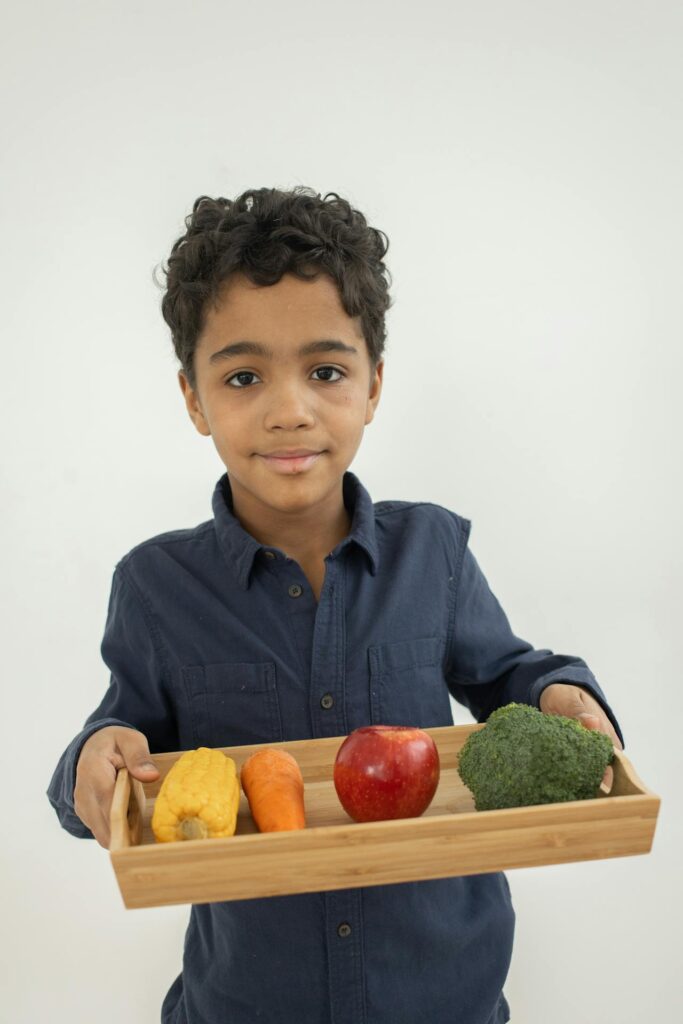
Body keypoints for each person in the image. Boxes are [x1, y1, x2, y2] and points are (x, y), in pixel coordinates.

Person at [46, 186, 625, 1024]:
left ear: (373, 384)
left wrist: (559, 692)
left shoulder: (434, 552)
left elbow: (510, 677)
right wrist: (96, 760)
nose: (290, 410)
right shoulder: (154, 586)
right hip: (247, 1003)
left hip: (443, 998)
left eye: (325, 371)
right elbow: (120, 739)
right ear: (192, 399)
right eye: (244, 376)